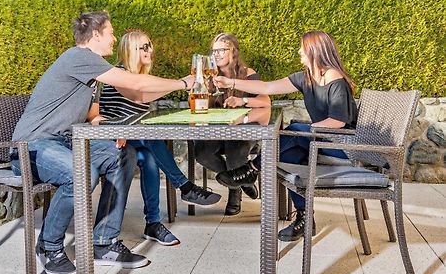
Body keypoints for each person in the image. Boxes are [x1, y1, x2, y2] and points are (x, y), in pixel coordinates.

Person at [11, 11, 195, 274]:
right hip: (32, 146)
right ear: (95, 35)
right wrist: (184, 83)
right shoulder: (78, 57)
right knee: (81, 173)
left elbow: (92, 113)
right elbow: (135, 82)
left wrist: (110, 127)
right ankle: (49, 246)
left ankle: (103, 243)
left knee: (122, 155)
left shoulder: (92, 70)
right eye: (110, 32)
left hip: (65, 142)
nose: (114, 38)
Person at [214, 30, 357, 240]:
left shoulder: (335, 80)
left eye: (302, 48)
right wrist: (231, 83)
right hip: (321, 141)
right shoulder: (306, 77)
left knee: (296, 130)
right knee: (289, 153)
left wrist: (308, 130)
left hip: (343, 147)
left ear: (314, 51)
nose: (299, 51)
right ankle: (304, 219)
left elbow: (337, 122)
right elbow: (267, 87)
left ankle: (252, 169)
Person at [90, 29, 222, 246]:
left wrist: (178, 87)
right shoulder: (120, 73)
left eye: (150, 45)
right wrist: (182, 83)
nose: (150, 50)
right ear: (131, 50)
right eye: (144, 47)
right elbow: (139, 94)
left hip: (131, 137)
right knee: (150, 137)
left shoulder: (139, 78)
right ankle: (184, 188)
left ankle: (153, 223)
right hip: (110, 137)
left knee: (149, 157)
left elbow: (146, 95)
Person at [194, 33, 270, 216]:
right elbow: (201, 101)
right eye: (214, 51)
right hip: (218, 130)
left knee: (235, 152)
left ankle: (234, 191)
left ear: (233, 52)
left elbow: (265, 101)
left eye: (222, 50)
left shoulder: (247, 74)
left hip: (243, 130)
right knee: (202, 153)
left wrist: (242, 100)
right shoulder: (208, 75)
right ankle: (243, 182)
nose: (217, 54)